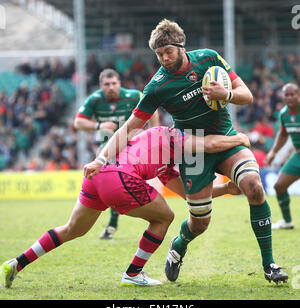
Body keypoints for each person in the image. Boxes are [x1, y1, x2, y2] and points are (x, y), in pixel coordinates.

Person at [83, 19, 288, 284]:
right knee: (200, 222)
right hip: (192, 151)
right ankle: (179, 244)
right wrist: (101, 158)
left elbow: (246, 95)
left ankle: (269, 264)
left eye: (168, 52)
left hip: (226, 138)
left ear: (181, 46)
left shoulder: (209, 59)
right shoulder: (157, 86)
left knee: (254, 186)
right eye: (158, 55)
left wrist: (224, 94)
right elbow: (130, 127)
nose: (164, 59)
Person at [0, 126, 248, 288]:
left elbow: (189, 195)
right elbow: (210, 144)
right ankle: (133, 273)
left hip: (98, 175)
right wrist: (239, 138)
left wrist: (225, 190)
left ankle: (16, 263)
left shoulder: (162, 160)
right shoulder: (172, 135)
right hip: (120, 176)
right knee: (165, 217)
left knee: (73, 229)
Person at [74, 68, 159, 240]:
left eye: (114, 83)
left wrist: (154, 131)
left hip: (134, 146)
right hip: (108, 150)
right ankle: (112, 224)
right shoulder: (95, 99)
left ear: (120, 83)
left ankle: (115, 224)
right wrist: (98, 126)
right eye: (107, 84)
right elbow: (78, 122)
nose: (111, 87)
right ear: (101, 86)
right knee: (114, 182)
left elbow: (153, 108)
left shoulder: (134, 95)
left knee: (120, 181)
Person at [265, 83, 300, 230]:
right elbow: (283, 134)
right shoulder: (284, 114)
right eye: (287, 95)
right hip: (297, 156)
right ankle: (287, 221)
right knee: (279, 186)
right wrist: (273, 152)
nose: (290, 97)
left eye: (293, 94)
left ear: (298, 95)